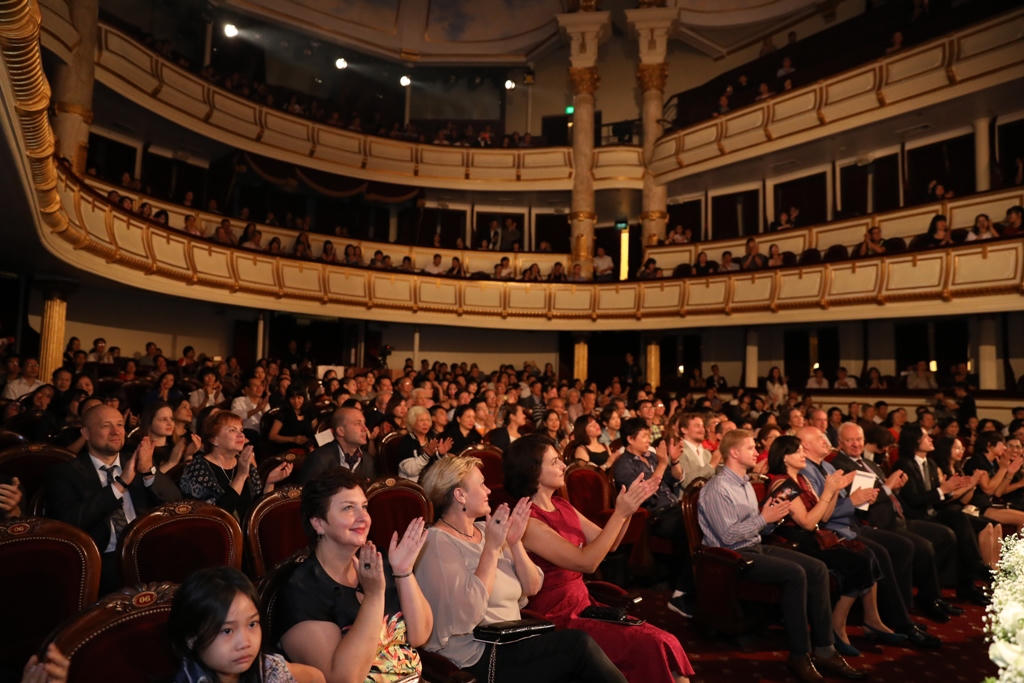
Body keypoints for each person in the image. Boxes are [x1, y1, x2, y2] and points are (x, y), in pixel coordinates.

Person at [416, 454, 627, 683]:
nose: (488, 490)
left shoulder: (486, 530)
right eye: (481, 484)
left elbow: (533, 586)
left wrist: (515, 544)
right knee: (579, 645)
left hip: (515, 639)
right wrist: (492, 550)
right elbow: (467, 613)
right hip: (478, 654)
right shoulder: (437, 543)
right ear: (460, 495)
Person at [505, 434, 694, 682]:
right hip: (558, 617)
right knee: (655, 644)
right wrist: (621, 514)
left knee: (666, 644)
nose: (563, 465)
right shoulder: (530, 522)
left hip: (584, 605)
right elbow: (587, 562)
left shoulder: (562, 504)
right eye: (554, 462)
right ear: (531, 471)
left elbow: (611, 543)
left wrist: (625, 511)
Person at [698, 429, 864, 682]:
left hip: (754, 545)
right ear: (734, 452)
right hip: (730, 556)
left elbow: (758, 527)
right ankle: (799, 654)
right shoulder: (718, 488)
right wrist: (764, 517)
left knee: (817, 567)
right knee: (795, 573)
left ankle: (825, 649)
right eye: (751, 447)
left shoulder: (743, 483)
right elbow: (728, 537)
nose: (757, 452)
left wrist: (772, 518)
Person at [277, 468, 432, 682]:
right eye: (348, 508)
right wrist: (374, 596)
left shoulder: (377, 562)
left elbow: (420, 636)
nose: (364, 518)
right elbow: (342, 678)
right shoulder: (302, 591)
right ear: (318, 523)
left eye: (364, 507)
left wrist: (403, 572)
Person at [766, 436, 898, 656]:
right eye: (798, 452)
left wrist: (835, 489)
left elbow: (824, 515)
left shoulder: (801, 480)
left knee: (865, 555)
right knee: (859, 561)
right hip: (795, 542)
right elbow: (808, 523)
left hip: (814, 536)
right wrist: (829, 491)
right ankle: (836, 626)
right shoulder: (782, 483)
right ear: (785, 458)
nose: (803, 455)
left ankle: (846, 623)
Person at [46, 405, 182, 591]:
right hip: (99, 561)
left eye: (120, 424)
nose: (116, 431)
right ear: (86, 432)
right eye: (106, 426)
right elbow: (68, 523)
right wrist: (119, 485)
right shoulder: (66, 473)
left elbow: (175, 502)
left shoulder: (137, 461)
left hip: (146, 551)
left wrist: (149, 471)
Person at [168, 566, 324, 683]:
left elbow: (315, 677)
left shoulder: (266, 667)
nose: (245, 643)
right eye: (227, 631)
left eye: (252, 624)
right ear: (191, 639)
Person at [612, 418, 694, 617]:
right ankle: (682, 591)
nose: (649, 439)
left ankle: (692, 586)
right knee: (693, 523)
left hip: (674, 507)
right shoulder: (623, 464)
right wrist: (663, 463)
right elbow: (643, 492)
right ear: (630, 439)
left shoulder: (652, 457)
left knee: (699, 518)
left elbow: (675, 479)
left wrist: (672, 462)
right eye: (645, 436)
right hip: (654, 516)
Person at [179, 411, 291, 520]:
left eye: (241, 430)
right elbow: (214, 518)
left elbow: (258, 509)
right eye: (232, 430)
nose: (241, 434)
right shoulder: (197, 469)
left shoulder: (243, 462)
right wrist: (241, 476)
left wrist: (269, 482)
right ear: (214, 440)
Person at [296, 406, 377, 484]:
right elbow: (307, 495)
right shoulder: (319, 459)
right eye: (358, 423)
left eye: (364, 423)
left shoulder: (367, 460)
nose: (365, 429)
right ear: (341, 431)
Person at [397, 405, 453, 482]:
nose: (425, 423)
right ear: (412, 422)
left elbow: (441, 469)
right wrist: (426, 456)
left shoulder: (432, 438)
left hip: (432, 482)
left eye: (427, 420)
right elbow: (410, 471)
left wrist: (441, 455)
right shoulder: (407, 441)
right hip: (413, 486)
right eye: (421, 420)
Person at [267, 386, 313, 452]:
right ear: (288, 399)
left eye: (299, 397)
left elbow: (315, 430)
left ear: (304, 398)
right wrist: (293, 439)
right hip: (287, 450)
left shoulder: (309, 411)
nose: (296, 401)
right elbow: (272, 436)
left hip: (306, 449)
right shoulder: (283, 413)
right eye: (292, 398)